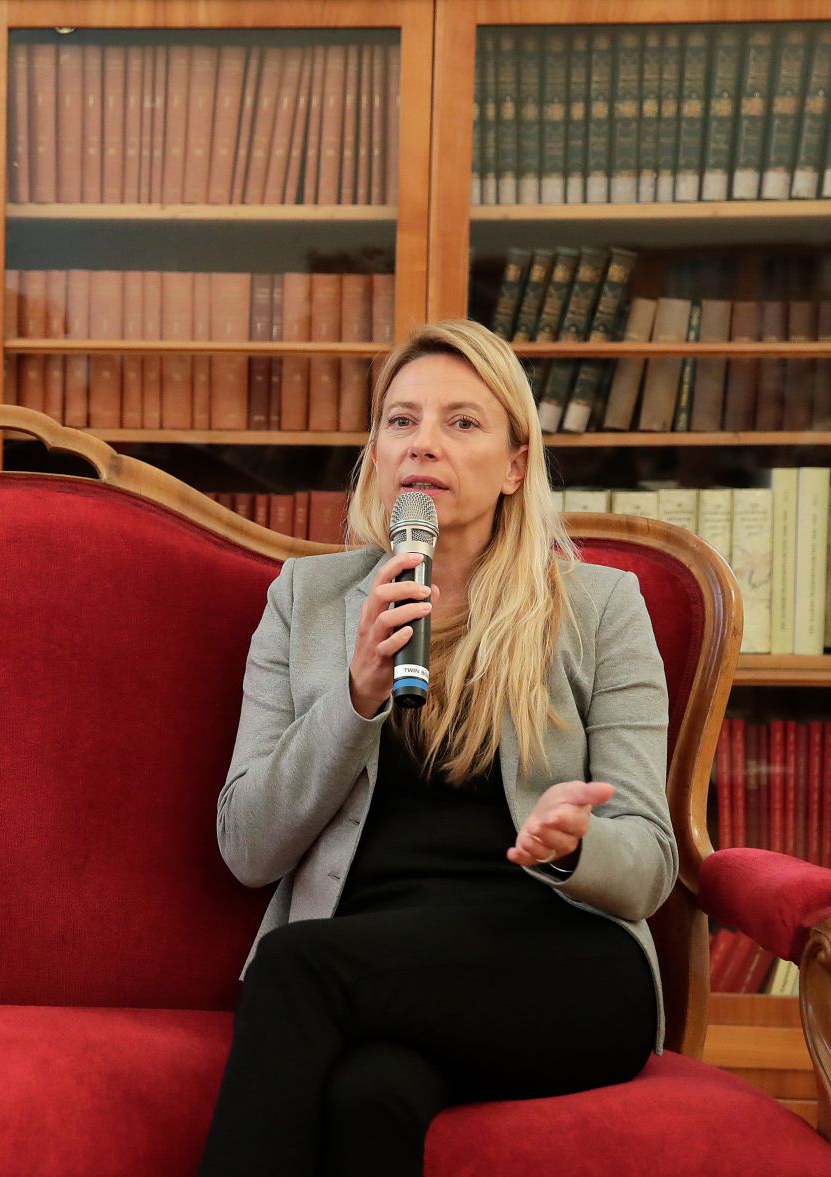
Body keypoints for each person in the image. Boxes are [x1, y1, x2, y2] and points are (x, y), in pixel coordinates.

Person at [199, 319, 673, 1177]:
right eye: (401, 420)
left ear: (517, 464)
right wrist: (354, 698)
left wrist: (575, 848)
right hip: (378, 962)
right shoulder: (304, 604)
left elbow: (650, 865)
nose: (424, 444)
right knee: (372, 1096)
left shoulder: (604, 608)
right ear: (376, 453)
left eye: (462, 422)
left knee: (289, 967)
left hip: (562, 962)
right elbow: (247, 847)